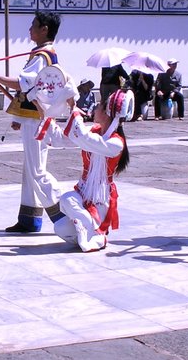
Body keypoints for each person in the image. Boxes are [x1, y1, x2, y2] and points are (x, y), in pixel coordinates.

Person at [0, 11, 67, 233]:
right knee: (30, 170)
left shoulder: (42, 56)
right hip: (34, 118)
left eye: (33, 25)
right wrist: (18, 116)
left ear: (44, 29)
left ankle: (67, 214)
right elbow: (30, 89)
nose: (29, 29)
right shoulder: (43, 54)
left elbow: (22, 84)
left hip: (37, 121)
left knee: (36, 171)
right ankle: (29, 220)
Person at [48, 88, 132, 252]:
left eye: (99, 106)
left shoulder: (116, 143)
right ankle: (93, 233)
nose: (95, 108)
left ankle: (94, 233)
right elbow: (67, 139)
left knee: (66, 199)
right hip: (84, 189)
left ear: (108, 113)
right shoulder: (94, 130)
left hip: (100, 196)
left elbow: (84, 138)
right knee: (60, 228)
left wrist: (74, 109)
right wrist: (45, 114)